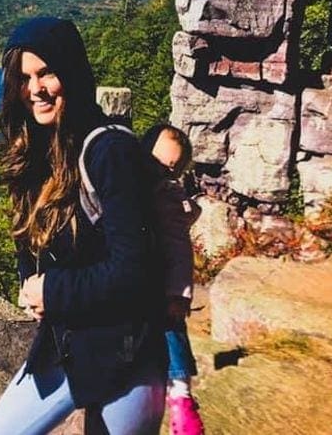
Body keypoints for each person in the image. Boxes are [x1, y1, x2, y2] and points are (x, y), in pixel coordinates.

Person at [0, 16, 166, 435]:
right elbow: (32, 240)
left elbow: (135, 270)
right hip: (66, 346)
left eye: (46, 72)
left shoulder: (110, 152)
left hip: (125, 353)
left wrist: (52, 290)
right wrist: (31, 282)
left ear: (72, 72)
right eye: (24, 78)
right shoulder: (37, 151)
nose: (35, 89)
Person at [140, 124, 205, 435]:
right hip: (143, 278)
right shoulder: (139, 186)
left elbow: (179, 250)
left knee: (172, 329)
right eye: (157, 163)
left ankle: (181, 395)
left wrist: (179, 293)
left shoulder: (165, 195)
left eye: (171, 169)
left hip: (164, 283)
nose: (162, 172)